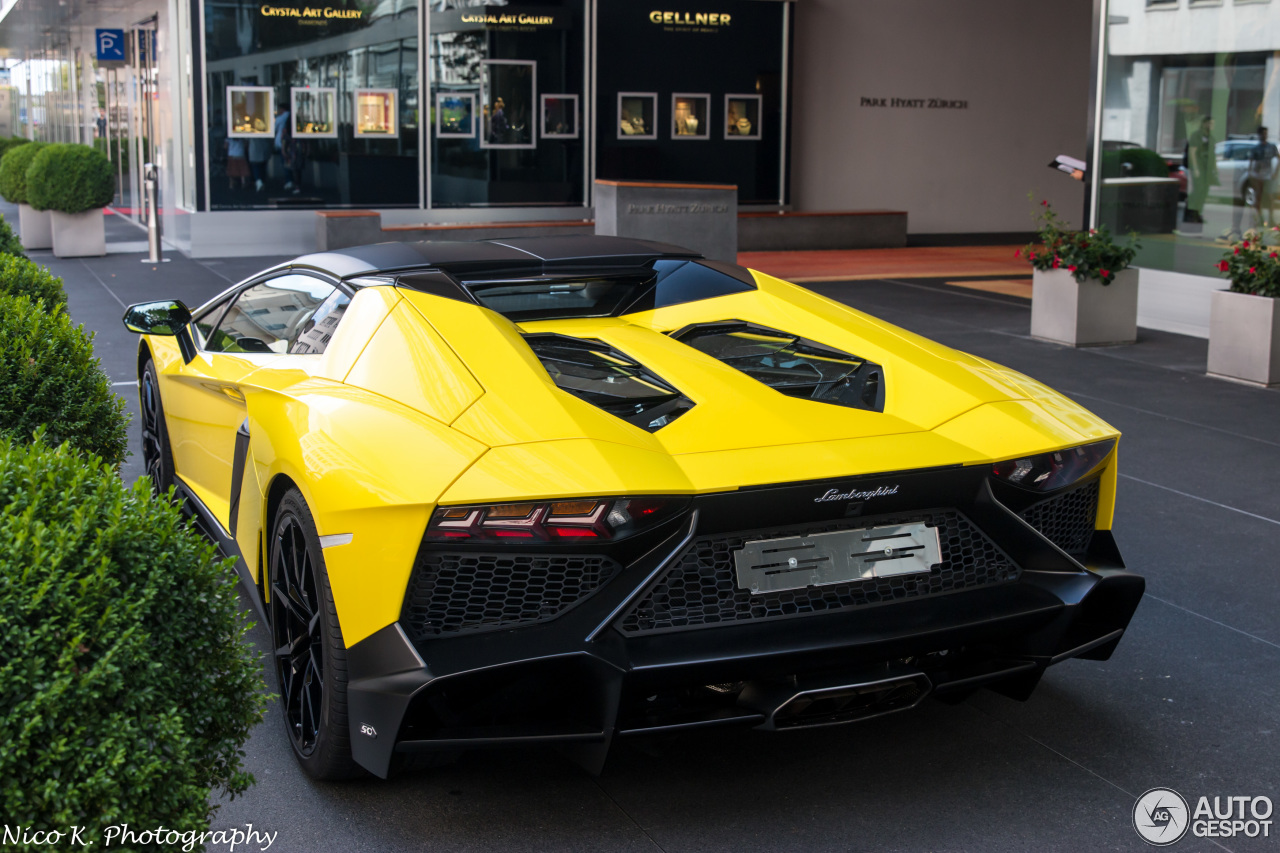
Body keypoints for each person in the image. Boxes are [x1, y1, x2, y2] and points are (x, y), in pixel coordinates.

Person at [1232, 126, 1278, 237]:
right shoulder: (1256, 149)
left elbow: (1278, 158)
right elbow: (1251, 164)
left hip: (1267, 175)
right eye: (1263, 134)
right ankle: (1259, 219)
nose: (1265, 135)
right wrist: (1252, 175)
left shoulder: (1271, 147)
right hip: (1258, 175)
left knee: (1269, 197)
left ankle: (1270, 219)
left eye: (1266, 133)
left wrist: (1275, 173)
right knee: (1258, 198)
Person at [1184, 116, 1216, 226]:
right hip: (1198, 168)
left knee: (1203, 192)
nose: (1211, 126)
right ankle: (1191, 214)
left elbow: (1213, 154)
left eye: (1212, 124)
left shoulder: (1210, 137)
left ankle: (1198, 213)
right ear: (1204, 124)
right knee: (1197, 191)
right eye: (1210, 123)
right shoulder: (1196, 136)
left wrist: (1214, 168)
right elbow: (1192, 153)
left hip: (1207, 169)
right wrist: (1196, 168)